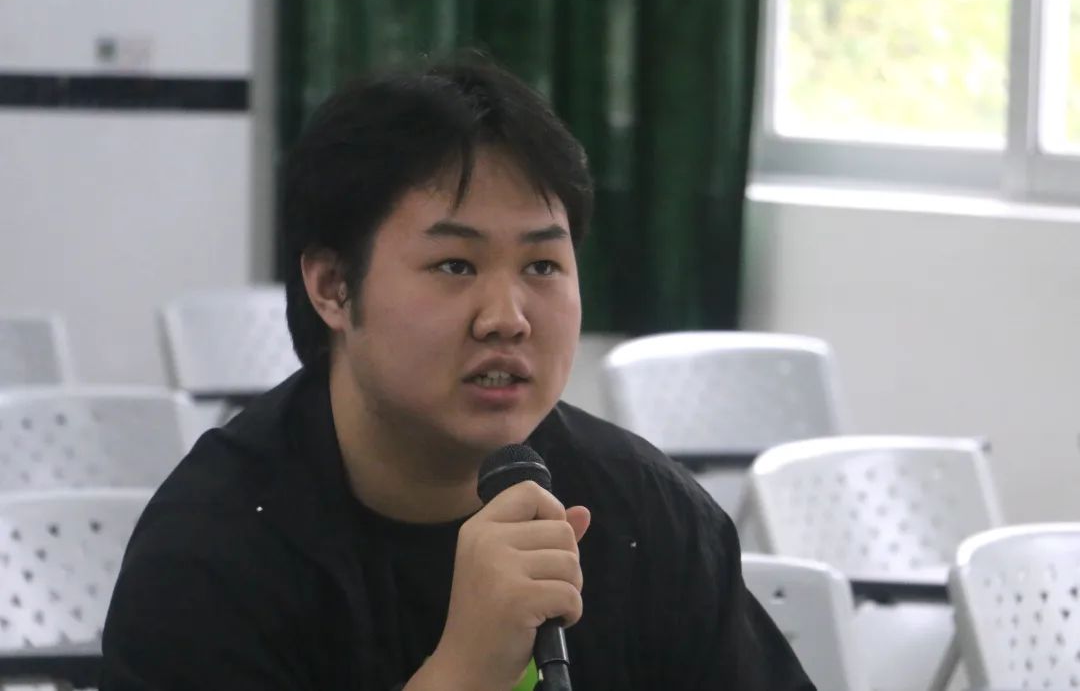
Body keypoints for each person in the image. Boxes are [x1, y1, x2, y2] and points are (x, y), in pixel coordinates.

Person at [100, 55, 815, 690]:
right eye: (454, 266)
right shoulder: (210, 554)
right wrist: (468, 670)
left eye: (542, 265)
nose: (507, 317)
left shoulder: (648, 517)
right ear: (332, 287)